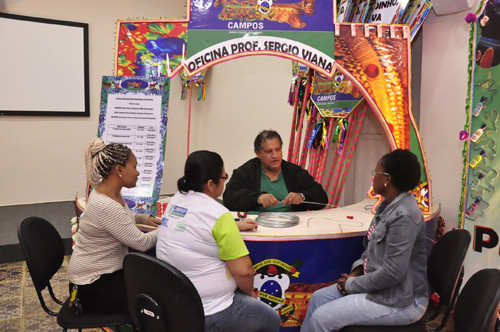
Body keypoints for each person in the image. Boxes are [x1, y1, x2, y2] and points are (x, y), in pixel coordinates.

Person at [300, 149, 428, 331]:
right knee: (317, 299)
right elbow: (370, 251)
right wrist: (357, 272)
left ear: (387, 179)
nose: (373, 177)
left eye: (376, 173)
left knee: (322, 318)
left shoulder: (404, 216)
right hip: (379, 288)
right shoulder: (386, 206)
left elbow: (393, 273)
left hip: (402, 301)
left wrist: (352, 284)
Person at [156, 150, 281, 332]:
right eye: (224, 177)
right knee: (271, 318)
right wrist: (250, 294)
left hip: (175, 304)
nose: (225, 181)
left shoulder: (177, 200)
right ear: (210, 184)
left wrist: (233, 225)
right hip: (210, 310)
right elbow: (244, 272)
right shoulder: (218, 214)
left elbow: (196, 228)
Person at [67, 138, 160, 314]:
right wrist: (168, 228)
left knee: (147, 282)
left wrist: (143, 218)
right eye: (134, 166)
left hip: (98, 275)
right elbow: (142, 243)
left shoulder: (107, 192)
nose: (138, 172)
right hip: (91, 285)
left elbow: (123, 218)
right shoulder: (106, 205)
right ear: (119, 170)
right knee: (152, 300)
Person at [223, 129, 328, 212]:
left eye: (278, 150)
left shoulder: (294, 172)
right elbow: (228, 198)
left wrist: (302, 196)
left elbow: (322, 197)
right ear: (258, 153)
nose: (275, 155)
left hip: (293, 226)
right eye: (269, 151)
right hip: (257, 226)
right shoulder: (246, 171)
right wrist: (257, 198)